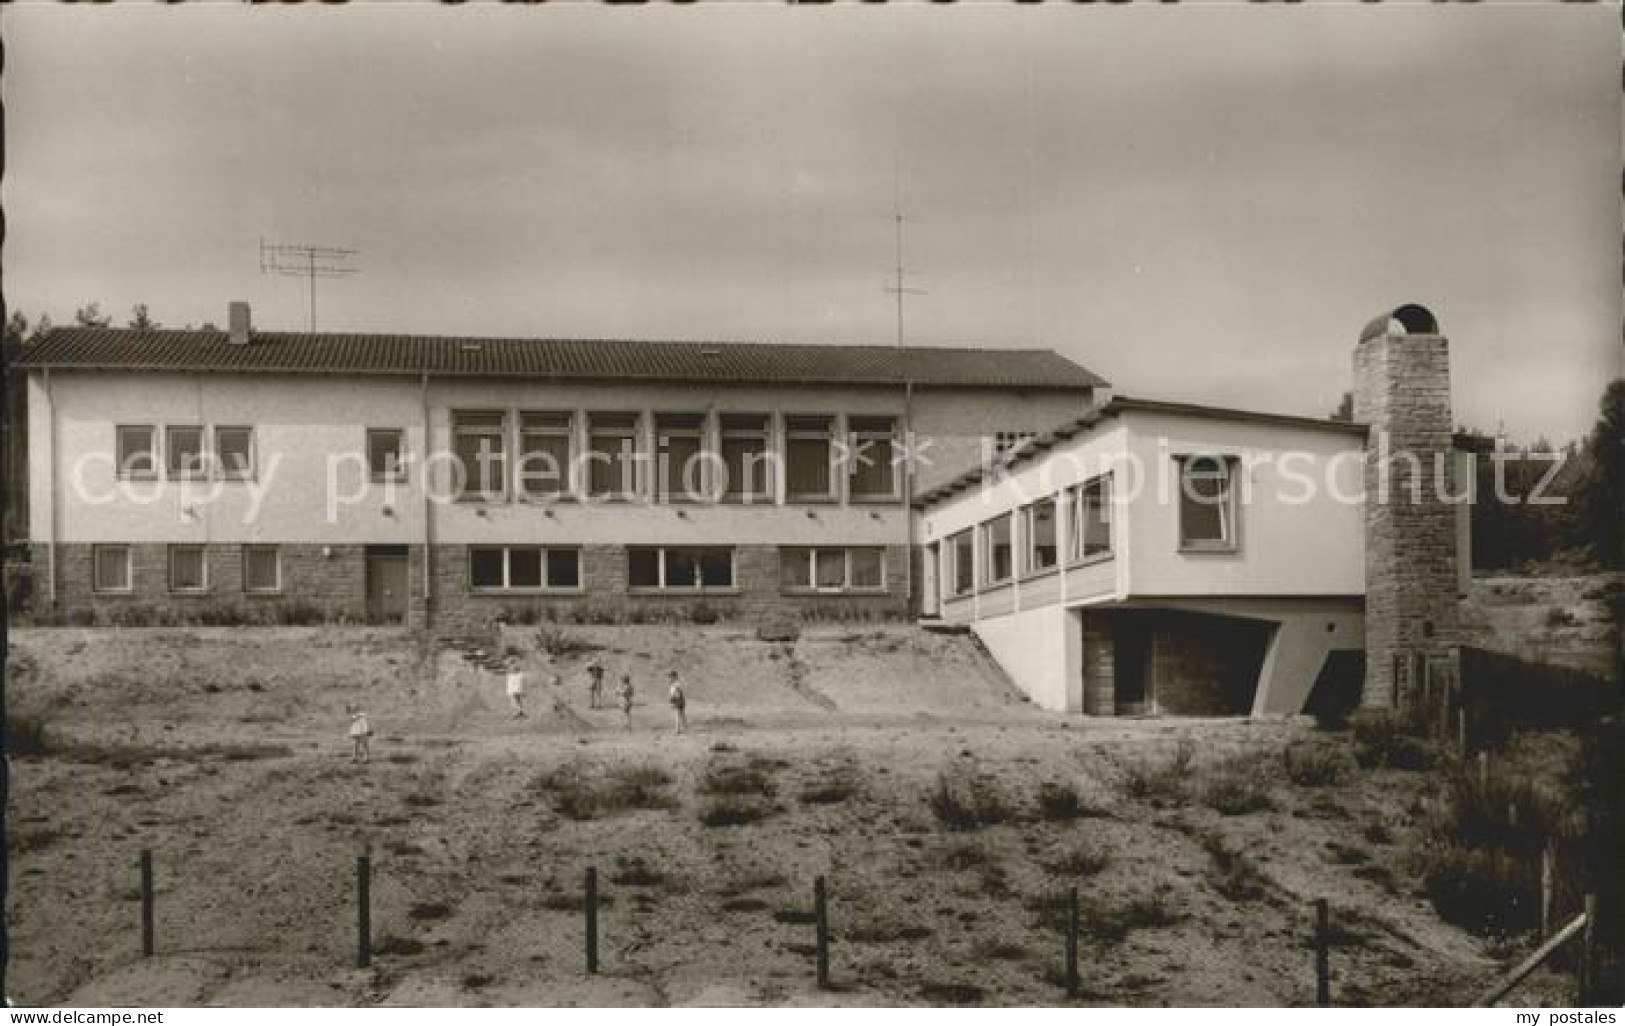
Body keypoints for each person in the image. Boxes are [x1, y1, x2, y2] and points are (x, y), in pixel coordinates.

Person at [667, 669, 687, 735]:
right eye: (669, 677)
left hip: (678, 701)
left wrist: (673, 699)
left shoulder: (675, 684)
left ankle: (678, 730)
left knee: (677, 715)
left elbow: (677, 694)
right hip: (679, 701)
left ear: (674, 677)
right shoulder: (675, 684)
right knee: (681, 715)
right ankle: (684, 728)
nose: (669, 678)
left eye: (670, 676)